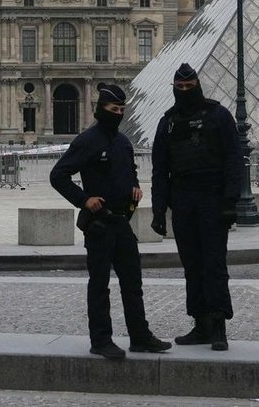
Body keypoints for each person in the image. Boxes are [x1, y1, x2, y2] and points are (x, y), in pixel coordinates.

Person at [49, 83, 172, 360]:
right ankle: (101, 339)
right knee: (100, 284)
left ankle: (140, 336)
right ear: (100, 109)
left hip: (121, 222)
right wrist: (83, 200)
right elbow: (58, 175)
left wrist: (135, 187)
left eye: (121, 109)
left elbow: (129, 170)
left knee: (133, 282)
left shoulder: (123, 141)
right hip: (99, 224)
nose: (118, 113)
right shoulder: (87, 140)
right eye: (113, 109)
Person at [150, 63, 241, 351]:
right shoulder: (168, 122)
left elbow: (234, 161)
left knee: (214, 263)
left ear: (198, 85)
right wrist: (158, 210)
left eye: (190, 87)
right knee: (192, 265)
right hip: (184, 200)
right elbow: (159, 169)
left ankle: (218, 326)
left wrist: (230, 202)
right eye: (181, 88)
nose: (186, 91)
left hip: (212, 200)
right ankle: (200, 324)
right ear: (174, 88)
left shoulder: (219, 115)